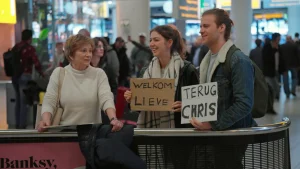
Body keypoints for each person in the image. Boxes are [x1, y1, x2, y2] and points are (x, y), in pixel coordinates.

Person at [190, 8, 256, 168]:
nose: (201, 30)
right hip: (212, 136)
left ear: (221, 28)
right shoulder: (207, 60)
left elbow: (244, 103)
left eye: (206, 26)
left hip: (229, 136)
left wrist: (213, 124)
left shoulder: (237, 60)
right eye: (201, 26)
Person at [124, 25, 199, 128]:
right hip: (151, 135)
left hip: (180, 133)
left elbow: (199, 106)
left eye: (156, 40)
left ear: (169, 43)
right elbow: (139, 108)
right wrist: (131, 100)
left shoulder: (187, 70)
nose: (151, 44)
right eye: (150, 40)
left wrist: (186, 106)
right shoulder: (145, 71)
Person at [12, 29, 44, 129]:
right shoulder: (29, 48)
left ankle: (17, 124)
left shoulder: (16, 47)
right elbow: (36, 62)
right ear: (30, 38)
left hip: (15, 76)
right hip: (25, 76)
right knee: (24, 101)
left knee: (18, 101)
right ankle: (22, 125)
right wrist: (42, 73)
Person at [91, 37, 118, 124]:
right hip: (90, 106)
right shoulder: (85, 68)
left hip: (105, 106)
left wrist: (111, 99)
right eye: (98, 46)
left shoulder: (107, 68)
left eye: (102, 46)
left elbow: (114, 86)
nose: (101, 49)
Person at [262, 33, 286, 100]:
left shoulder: (279, 47)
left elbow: (281, 59)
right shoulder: (267, 46)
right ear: (274, 38)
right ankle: (270, 99)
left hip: (277, 70)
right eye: (278, 39)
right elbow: (266, 58)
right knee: (270, 86)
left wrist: (283, 69)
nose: (279, 40)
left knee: (277, 86)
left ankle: (276, 96)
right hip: (268, 71)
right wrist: (274, 49)